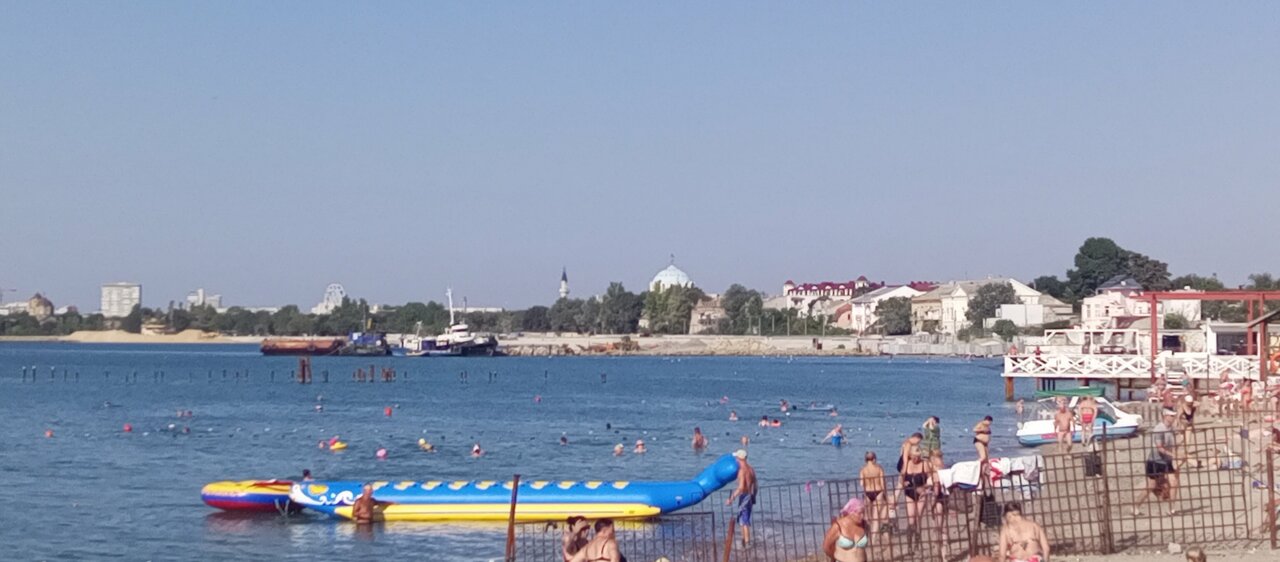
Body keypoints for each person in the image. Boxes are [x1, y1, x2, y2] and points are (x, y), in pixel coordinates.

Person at [1134, 409, 1179, 515]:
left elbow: (1172, 446)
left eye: (1174, 416)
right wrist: (1174, 455)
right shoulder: (1159, 429)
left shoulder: (1171, 429)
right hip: (1155, 461)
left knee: (1174, 483)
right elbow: (1160, 448)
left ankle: (1171, 509)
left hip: (1166, 460)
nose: (1173, 418)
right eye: (1171, 416)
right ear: (1165, 416)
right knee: (1151, 485)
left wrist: (1175, 458)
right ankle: (1136, 506)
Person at [725, 449, 757, 547]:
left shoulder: (742, 471)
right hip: (750, 496)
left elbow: (741, 487)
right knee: (742, 519)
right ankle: (744, 542)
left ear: (740, 459)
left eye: (736, 458)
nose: (736, 460)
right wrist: (754, 496)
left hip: (744, 496)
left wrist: (732, 498)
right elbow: (755, 485)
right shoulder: (751, 469)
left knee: (744, 520)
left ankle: (747, 543)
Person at [897, 446, 930, 539]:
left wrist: (925, 488)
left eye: (918, 456)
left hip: (921, 493)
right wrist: (903, 483)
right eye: (914, 456)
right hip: (909, 492)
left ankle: (917, 538)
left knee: (918, 517)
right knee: (911, 518)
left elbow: (930, 479)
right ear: (910, 455)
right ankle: (910, 538)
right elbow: (901, 478)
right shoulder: (907, 464)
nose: (916, 458)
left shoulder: (924, 464)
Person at [823, 498, 868, 562]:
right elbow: (826, 547)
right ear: (851, 513)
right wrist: (835, 557)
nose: (862, 516)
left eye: (863, 513)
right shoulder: (838, 526)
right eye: (859, 513)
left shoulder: (863, 524)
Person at [859, 452, 887, 534]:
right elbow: (882, 483)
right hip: (878, 491)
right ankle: (874, 537)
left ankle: (868, 534)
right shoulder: (879, 468)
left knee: (867, 516)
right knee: (876, 517)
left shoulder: (863, 469)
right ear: (874, 459)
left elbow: (861, 483)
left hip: (867, 492)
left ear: (865, 460)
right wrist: (885, 495)